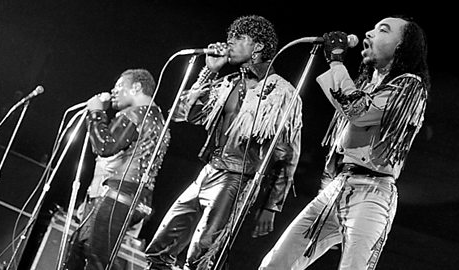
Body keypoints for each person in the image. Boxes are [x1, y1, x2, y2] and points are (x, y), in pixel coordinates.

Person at [259, 15, 430, 270]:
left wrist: (336, 61)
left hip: (372, 193)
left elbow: (357, 110)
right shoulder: (368, 83)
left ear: (402, 47)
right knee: (276, 263)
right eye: (372, 27)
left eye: (382, 30)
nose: (369, 34)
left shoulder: (410, 86)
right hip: (339, 187)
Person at [145, 15, 302, 270]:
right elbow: (181, 113)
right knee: (162, 244)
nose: (229, 42)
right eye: (230, 36)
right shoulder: (228, 82)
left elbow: (288, 154)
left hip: (237, 178)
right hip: (208, 171)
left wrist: (271, 205)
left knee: (201, 256)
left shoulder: (283, 93)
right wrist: (209, 71)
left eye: (239, 37)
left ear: (258, 46)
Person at [64, 68, 171, 270]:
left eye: (119, 86)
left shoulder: (137, 113)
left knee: (95, 258)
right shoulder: (158, 119)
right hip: (135, 197)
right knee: (81, 248)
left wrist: (96, 112)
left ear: (137, 87)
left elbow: (105, 145)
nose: (113, 91)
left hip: (119, 195)